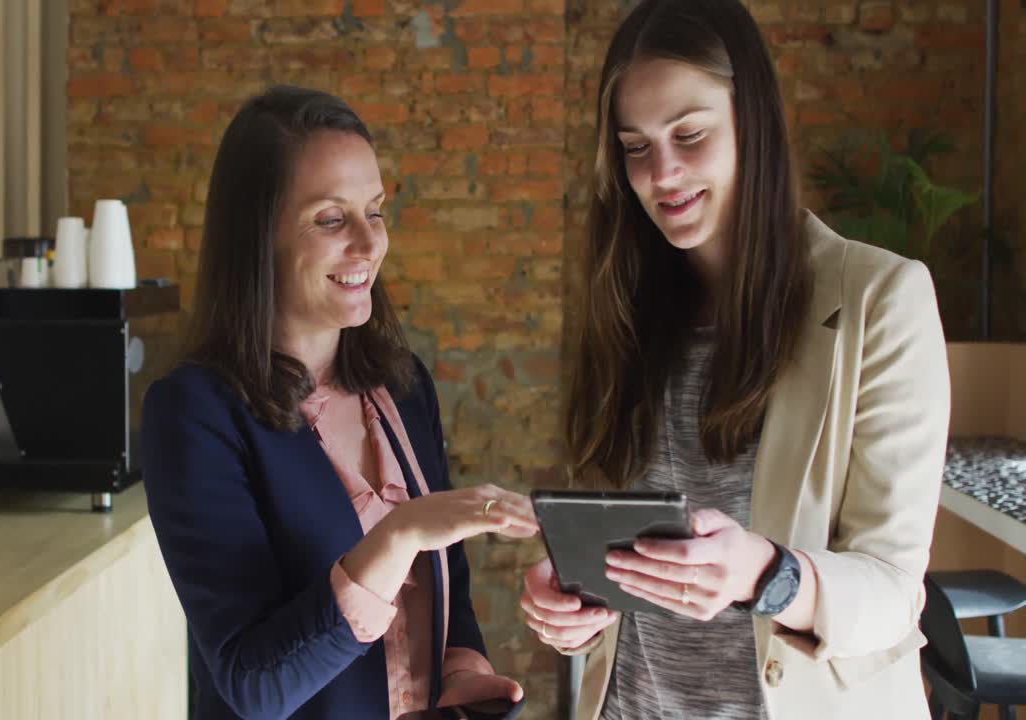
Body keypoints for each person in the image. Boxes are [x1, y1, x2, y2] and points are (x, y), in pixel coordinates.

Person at [518, 1, 950, 718]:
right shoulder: (622, 309)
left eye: (690, 134)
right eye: (635, 146)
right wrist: (572, 605)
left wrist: (768, 575)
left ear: (754, 121)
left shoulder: (882, 298)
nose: (663, 174)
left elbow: (895, 589)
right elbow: (613, 556)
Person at [141, 85, 537, 720]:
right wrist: (401, 533)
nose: (369, 242)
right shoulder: (193, 414)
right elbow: (252, 684)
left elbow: (450, 591)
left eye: (375, 212)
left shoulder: (404, 387)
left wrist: (463, 672)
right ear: (257, 237)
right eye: (331, 219)